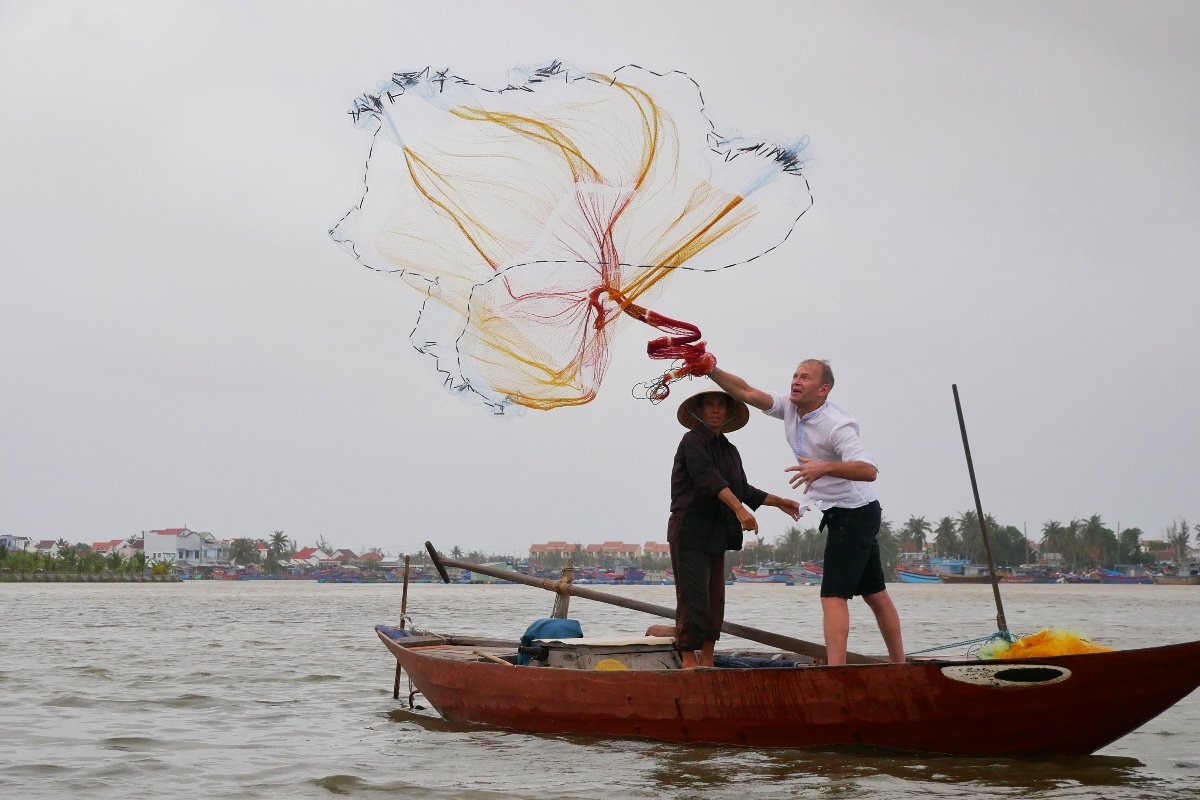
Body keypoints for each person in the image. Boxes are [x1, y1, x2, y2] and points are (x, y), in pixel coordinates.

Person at [708, 360, 905, 665]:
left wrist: (824, 466)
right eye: (795, 375)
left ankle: (835, 672)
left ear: (823, 390)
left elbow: (869, 470)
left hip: (854, 513)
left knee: (832, 596)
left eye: (806, 377)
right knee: (875, 594)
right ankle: (899, 665)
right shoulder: (789, 407)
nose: (796, 381)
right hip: (849, 513)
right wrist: (711, 369)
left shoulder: (836, 425)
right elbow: (746, 391)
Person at [666, 389, 801, 669]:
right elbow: (708, 478)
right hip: (689, 530)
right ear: (700, 411)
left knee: (715, 598)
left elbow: (742, 488)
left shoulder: (729, 450)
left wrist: (778, 502)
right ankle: (690, 662)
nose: (715, 410)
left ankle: (709, 658)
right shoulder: (692, 441)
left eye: (720, 406)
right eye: (709, 406)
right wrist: (739, 509)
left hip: (716, 533)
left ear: (727, 413)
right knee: (693, 597)